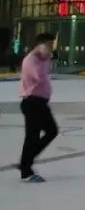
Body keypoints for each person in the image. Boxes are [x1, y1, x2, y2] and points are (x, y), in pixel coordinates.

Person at [18, 33, 59, 183]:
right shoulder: (31, 60)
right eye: (49, 45)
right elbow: (38, 77)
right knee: (32, 136)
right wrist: (44, 58)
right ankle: (26, 171)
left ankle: (26, 160)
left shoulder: (42, 59)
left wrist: (46, 58)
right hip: (32, 102)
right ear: (40, 45)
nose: (51, 48)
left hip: (40, 103)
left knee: (51, 131)